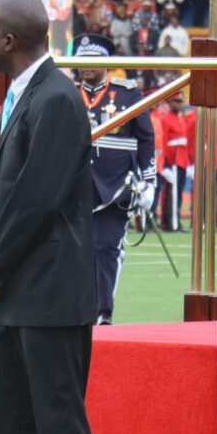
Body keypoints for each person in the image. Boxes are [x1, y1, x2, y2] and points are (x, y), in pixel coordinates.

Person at [0, 0, 99, 434]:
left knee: (58, 430)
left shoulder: (57, 98)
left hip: (45, 296)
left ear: (8, 41)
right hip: (6, 296)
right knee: (10, 431)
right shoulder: (19, 95)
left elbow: (36, 197)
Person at [74, 34, 155, 324]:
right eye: (81, 62)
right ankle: (79, 309)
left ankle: (103, 311)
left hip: (116, 186)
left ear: (107, 63)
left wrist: (149, 182)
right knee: (74, 252)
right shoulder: (69, 93)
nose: (86, 68)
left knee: (106, 249)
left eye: (93, 62)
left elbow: (146, 139)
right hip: (74, 187)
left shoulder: (127, 93)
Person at [160, 93, 189, 230]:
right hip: (172, 161)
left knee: (179, 192)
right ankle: (168, 221)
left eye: (180, 102)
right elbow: (163, 141)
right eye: (176, 101)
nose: (179, 104)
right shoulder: (166, 119)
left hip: (182, 160)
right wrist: (165, 164)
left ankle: (176, 220)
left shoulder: (181, 118)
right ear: (170, 103)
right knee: (170, 192)